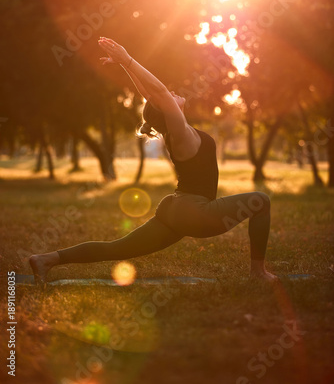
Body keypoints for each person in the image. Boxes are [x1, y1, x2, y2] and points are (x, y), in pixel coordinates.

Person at [29, 37, 277, 283]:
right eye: (167, 98)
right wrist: (127, 58)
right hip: (196, 213)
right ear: (166, 111)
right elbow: (157, 92)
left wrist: (124, 66)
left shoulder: (177, 133)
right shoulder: (180, 133)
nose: (170, 93)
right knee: (261, 201)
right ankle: (258, 273)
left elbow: (150, 92)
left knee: (118, 248)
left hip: (175, 210)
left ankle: (47, 259)